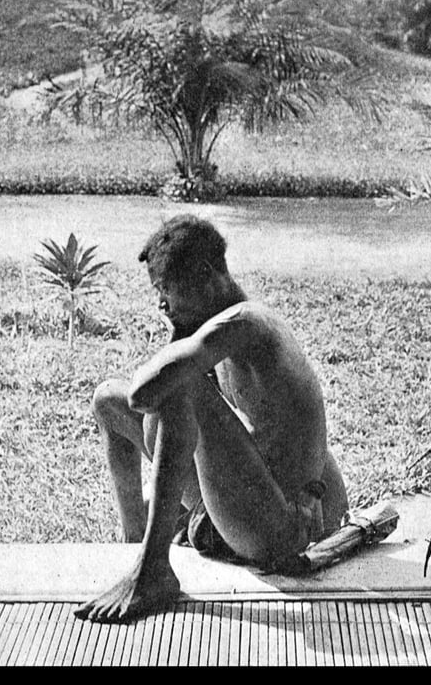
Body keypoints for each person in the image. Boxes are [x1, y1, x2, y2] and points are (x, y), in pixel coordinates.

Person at [75, 215, 349, 624]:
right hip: (246, 506)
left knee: (180, 387)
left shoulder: (245, 324)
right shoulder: (218, 328)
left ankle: (154, 571)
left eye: (165, 289)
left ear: (205, 276)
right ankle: (135, 546)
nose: (161, 305)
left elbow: (146, 391)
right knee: (107, 402)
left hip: (281, 527)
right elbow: (134, 402)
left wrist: (179, 344)